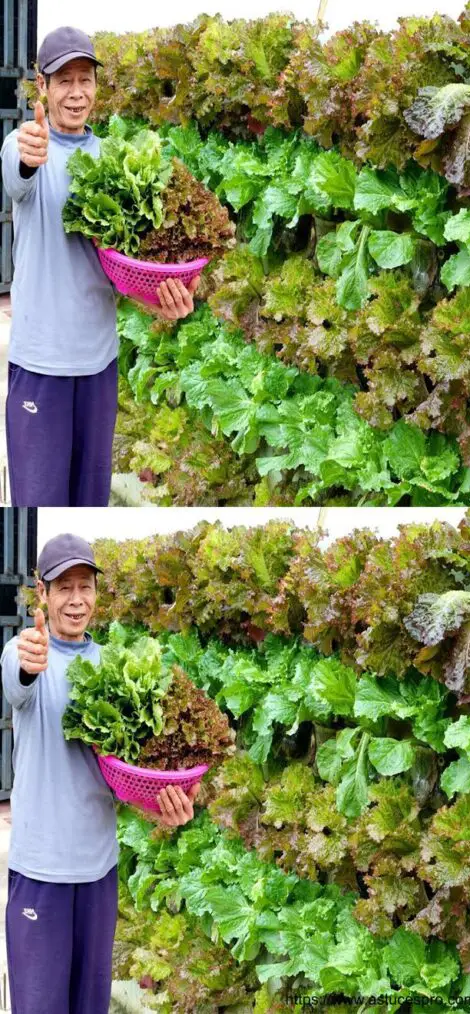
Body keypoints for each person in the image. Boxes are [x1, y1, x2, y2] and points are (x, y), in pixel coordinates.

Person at [0, 26, 201, 507]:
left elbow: (125, 266)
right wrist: (29, 154)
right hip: (40, 366)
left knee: (90, 502)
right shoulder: (25, 144)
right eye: (63, 80)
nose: (76, 92)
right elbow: (17, 174)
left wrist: (164, 300)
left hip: (99, 366)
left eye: (85, 79)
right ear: (43, 88)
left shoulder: (114, 160)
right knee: (39, 502)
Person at [0, 533, 201, 1014]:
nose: (75, 599)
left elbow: (126, 773)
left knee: (90, 1005)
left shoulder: (114, 667)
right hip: (40, 873)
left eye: (85, 586)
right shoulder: (25, 651)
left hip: (99, 874)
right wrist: (29, 662)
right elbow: (17, 681)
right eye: (63, 587)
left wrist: (164, 806)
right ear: (42, 594)